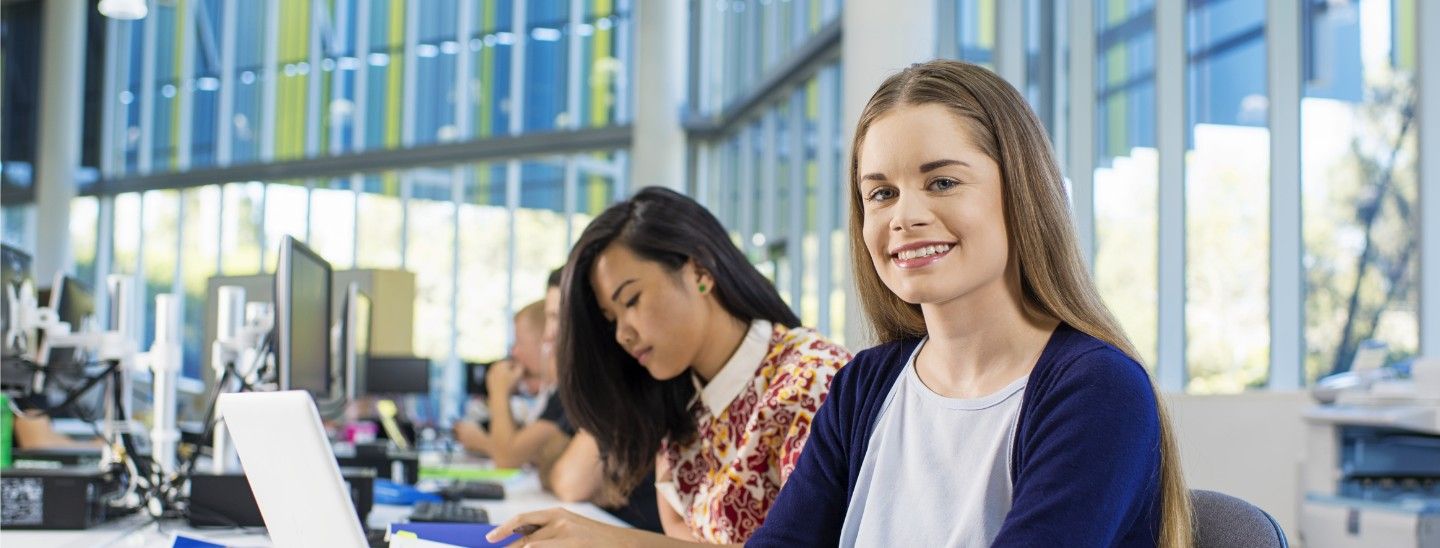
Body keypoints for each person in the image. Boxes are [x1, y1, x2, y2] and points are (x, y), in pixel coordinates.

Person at [743, 59, 1194, 546]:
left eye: (942, 182)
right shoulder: (864, 386)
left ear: (1021, 191)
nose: (905, 216)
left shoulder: (1097, 390)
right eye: (881, 193)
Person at [487, 187, 851, 545]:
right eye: (611, 319)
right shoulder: (680, 400)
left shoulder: (814, 380)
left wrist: (615, 542)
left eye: (631, 300)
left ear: (700, 271)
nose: (622, 335)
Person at [453, 300, 571, 473]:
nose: (514, 352)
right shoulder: (551, 392)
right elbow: (533, 454)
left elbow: (507, 458)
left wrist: (498, 390)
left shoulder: (567, 395)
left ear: (546, 341)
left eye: (519, 342)